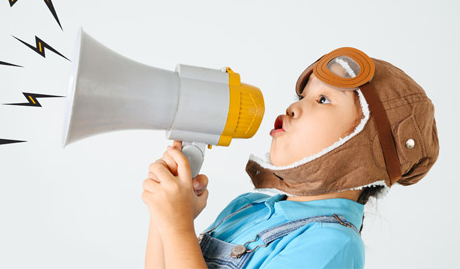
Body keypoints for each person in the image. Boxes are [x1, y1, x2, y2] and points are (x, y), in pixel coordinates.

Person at [142, 47, 439, 268]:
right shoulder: (247, 207)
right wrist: (165, 213)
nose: (293, 108)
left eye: (323, 99)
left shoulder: (333, 244)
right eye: (302, 97)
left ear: (366, 145)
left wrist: (179, 226)